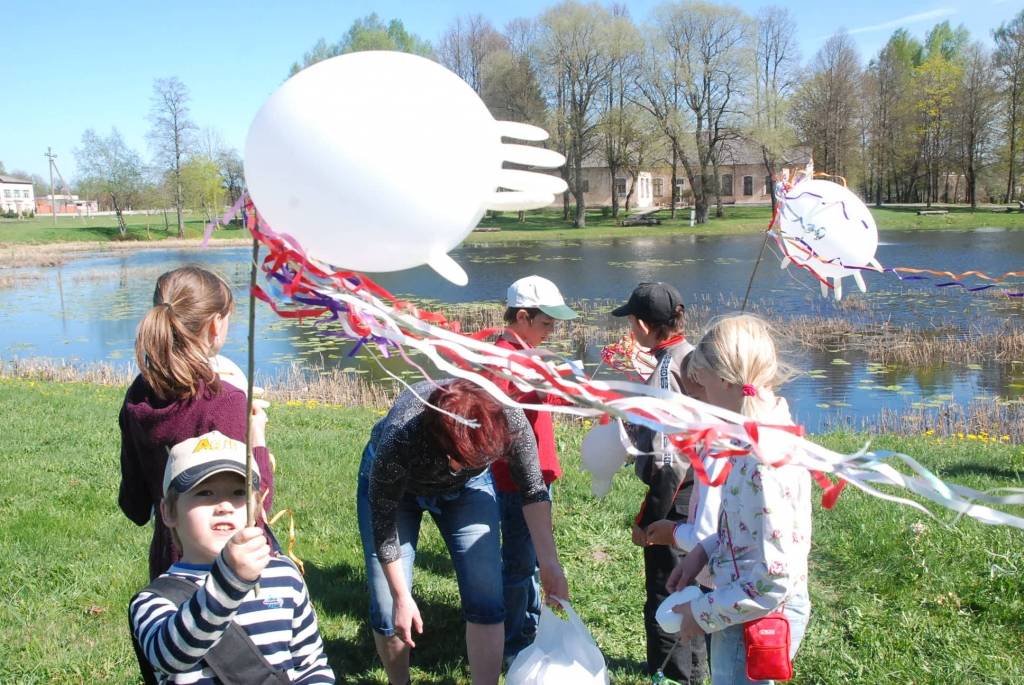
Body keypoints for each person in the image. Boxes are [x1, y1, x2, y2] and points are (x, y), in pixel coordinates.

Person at [357, 378, 569, 685]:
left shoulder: (509, 418)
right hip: (398, 494)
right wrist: (402, 596)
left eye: (467, 460)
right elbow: (383, 523)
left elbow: (533, 491)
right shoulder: (401, 434)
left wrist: (549, 563)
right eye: (452, 457)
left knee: (486, 596)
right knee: (388, 604)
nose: (455, 467)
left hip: (468, 492)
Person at [666, 314, 812, 685]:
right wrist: (704, 551)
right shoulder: (752, 441)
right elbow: (748, 528)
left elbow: (772, 580)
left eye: (704, 385)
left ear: (728, 382)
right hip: (740, 605)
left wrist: (700, 612)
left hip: (754, 617)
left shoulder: (764, 461)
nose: (702, 396)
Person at [130, 431, 334, 683]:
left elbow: (310, 665)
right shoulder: (154, 601)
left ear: (257, 505)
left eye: (239, 492)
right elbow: (170, 655)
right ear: (169, 511)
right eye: (204, 492)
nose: (224, 505)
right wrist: (230, 581)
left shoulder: (285, 576)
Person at [118, 266, 274, 580]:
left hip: (169, 570)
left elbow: (133, 506)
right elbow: (256, 507)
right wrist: (257, 437)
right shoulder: (225, 401)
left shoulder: (138, 395)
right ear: (216, 325)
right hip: (228, 571)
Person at [611, 282, 707, 684]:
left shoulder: (668, 370)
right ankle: (697, 670)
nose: (630, 330)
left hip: (677, 502)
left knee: (668, 594)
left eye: (631, 322)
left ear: (641, 323)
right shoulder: (692, 355)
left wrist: (650, 521)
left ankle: (672, 675)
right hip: (704, 497)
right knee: (698, 590)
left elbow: (671, 461)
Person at [491, 275, 577, 665]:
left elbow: (549, 397)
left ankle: (527, 624)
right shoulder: (505, 359)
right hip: (517, 482)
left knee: (526, 559)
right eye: (546, 324)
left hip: (534, 477)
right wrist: (538, 383)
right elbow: (499, 397)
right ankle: (513, 643)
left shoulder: (526, 358)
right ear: (521, 317)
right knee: (519, 563)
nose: (552, 331)